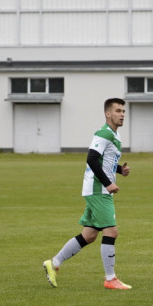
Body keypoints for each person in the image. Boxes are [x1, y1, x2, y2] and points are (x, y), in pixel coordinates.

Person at [43, 98, 132, 290]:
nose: (122, 114)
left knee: (90, 235)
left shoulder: (114, 135)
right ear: (108, 114)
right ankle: (110, 279)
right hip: (98, 189)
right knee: (111, 231)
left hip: (97, 188)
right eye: (118, 111)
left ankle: (54, 263)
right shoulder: (103, 133)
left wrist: (119, 170)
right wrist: (108, 183)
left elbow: (103, 161)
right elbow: (91, 158)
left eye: (123, 111)